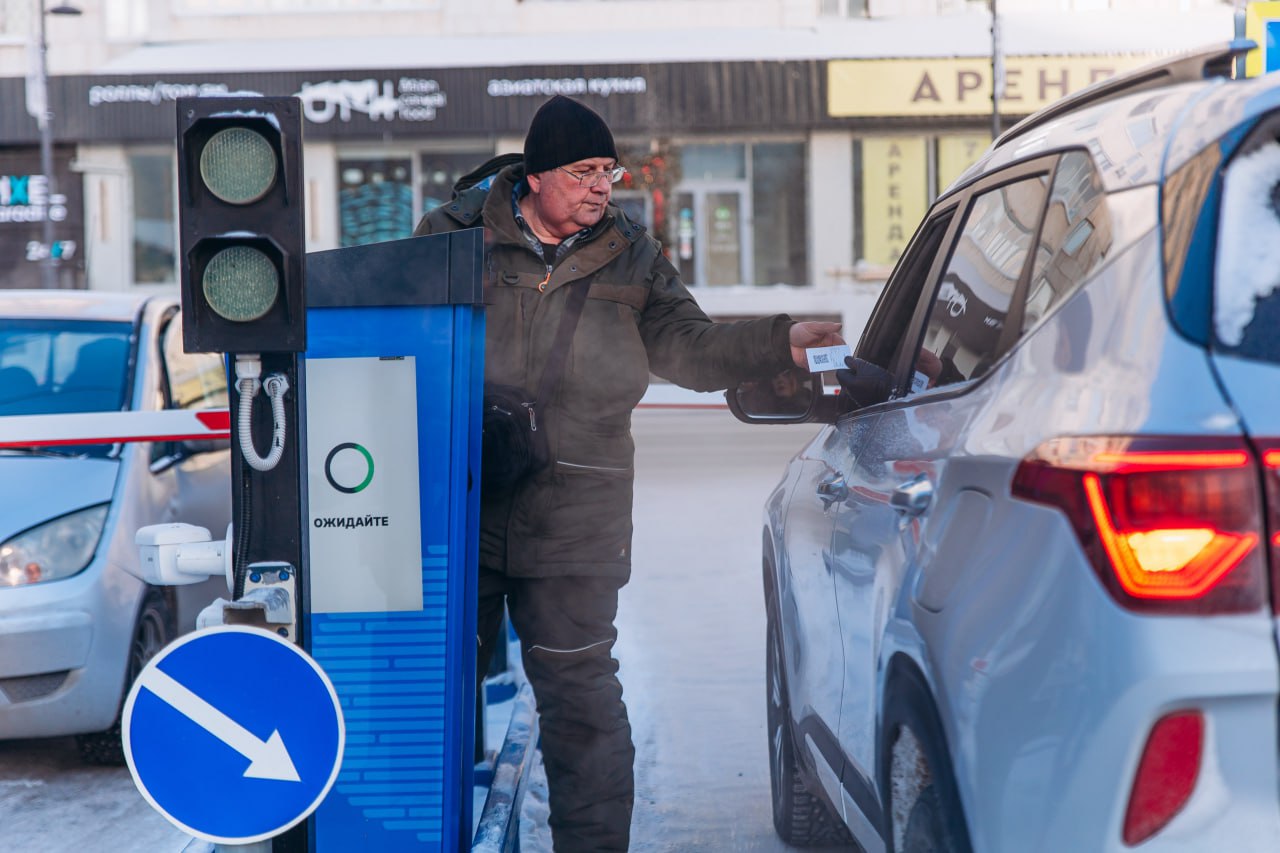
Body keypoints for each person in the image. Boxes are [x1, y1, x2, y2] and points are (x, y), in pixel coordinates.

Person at [412, 95, 842, 852]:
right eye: (583, 172)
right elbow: (396, 343)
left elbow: (691, 348)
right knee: (430, 698)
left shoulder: (631, 256)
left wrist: (781, 344)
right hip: (459, 507)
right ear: (536, 175)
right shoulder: (449, 238)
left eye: (607, 172)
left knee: (583, 709)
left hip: (577, 513)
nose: (601, 187)